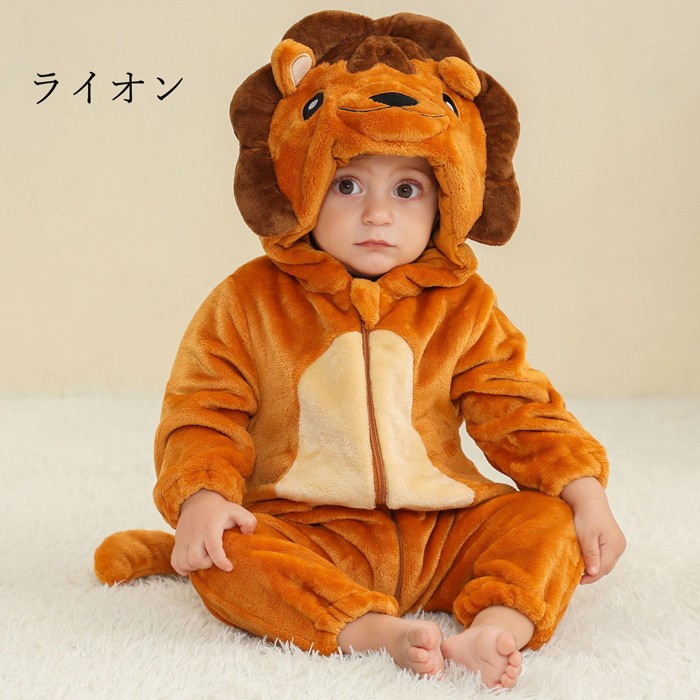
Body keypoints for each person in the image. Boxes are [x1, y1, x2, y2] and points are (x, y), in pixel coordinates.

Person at [96, 12, 626, 690]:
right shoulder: (248, 301)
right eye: (347, 185)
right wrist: (202, 497)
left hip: (444, 528)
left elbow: (516, 406)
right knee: (226, 553)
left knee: (548, 523)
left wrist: (584, 491)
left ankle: (497, 626)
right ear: (302, 183)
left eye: (407, 189)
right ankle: (370, 631)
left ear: (448, 198)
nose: (378, 214)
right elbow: (204, 410)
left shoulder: (463, 306)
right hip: (310, 528)